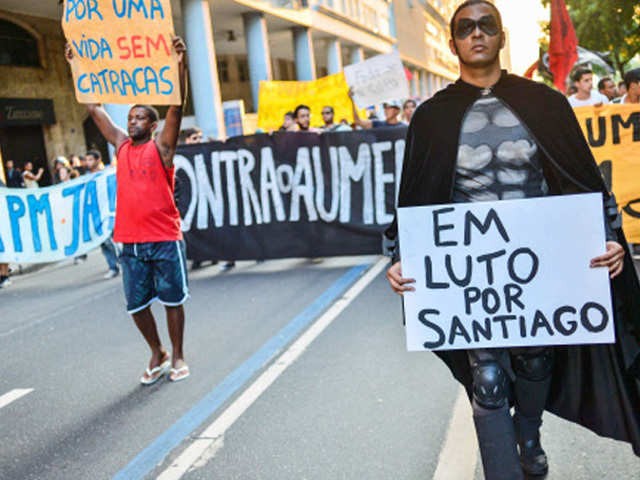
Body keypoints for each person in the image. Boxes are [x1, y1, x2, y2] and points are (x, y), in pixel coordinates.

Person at [385, 1, 640, 478]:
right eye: (465, 28)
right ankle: (504, 469)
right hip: (472, 276)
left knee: (536, 362)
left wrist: (610, 239)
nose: (476, 34)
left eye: (487, 26)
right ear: (452, 41)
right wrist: (400, 257)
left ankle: (529, 433)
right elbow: (415, 198)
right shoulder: (433, 118)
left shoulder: (544, 104)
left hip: (540, 271)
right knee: (487, 378)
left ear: (502, 38)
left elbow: (582, 180)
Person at [66, 37, 191, 384]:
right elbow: (94, 108)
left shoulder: (163, 148)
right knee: (136, 305)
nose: (133, 121)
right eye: (131, 117)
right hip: (130, 242)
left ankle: (178, 355)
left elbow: (176, 109)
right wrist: (77, 64)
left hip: (164, 237)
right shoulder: (121, 147)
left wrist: (180, 64)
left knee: (172, 300)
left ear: (152, 126)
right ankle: (158, 352)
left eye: (140, 118)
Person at [85, 150, 120, 279]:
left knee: (115, 239)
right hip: (96, 213)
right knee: (104, 242)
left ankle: (122, 261)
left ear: (98, 159)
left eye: (90, 159)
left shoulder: (109, 172)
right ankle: (113, 266)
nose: (88, 163)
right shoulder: (87, 177)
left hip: (111, 211)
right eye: (87, 160)